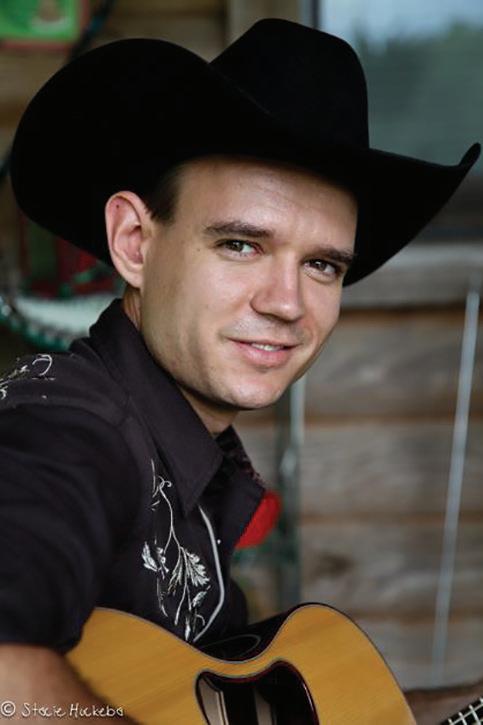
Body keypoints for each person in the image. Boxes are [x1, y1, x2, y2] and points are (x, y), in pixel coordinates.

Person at [1, 17, 481, 723]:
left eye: (322, 265)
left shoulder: (198, 465)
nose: (286, 302)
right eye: (240, 244)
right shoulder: (69, 430)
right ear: (134, 242)